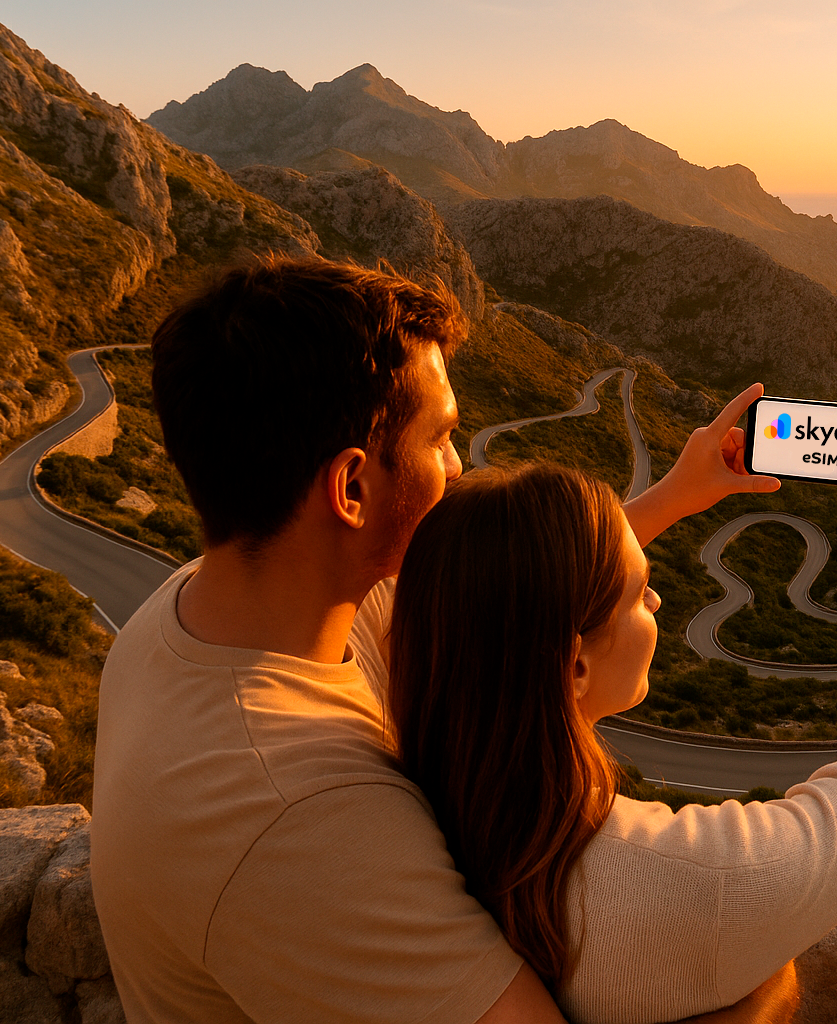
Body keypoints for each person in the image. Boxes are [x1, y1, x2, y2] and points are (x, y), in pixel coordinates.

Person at [89, 256, 779, 1023]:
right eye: (442, 437)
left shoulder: (210, 605)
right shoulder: (299, 819)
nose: (457, 466)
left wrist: (676, 496)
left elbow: (504, 592)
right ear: (352, 489)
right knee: (756, 983)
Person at [387, 447, 837, 1024]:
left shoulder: (414, 787)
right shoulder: (700, 879)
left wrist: (676, 494)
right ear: (573, 668)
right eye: (639, 591)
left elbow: (505, 591)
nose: (656, 599)